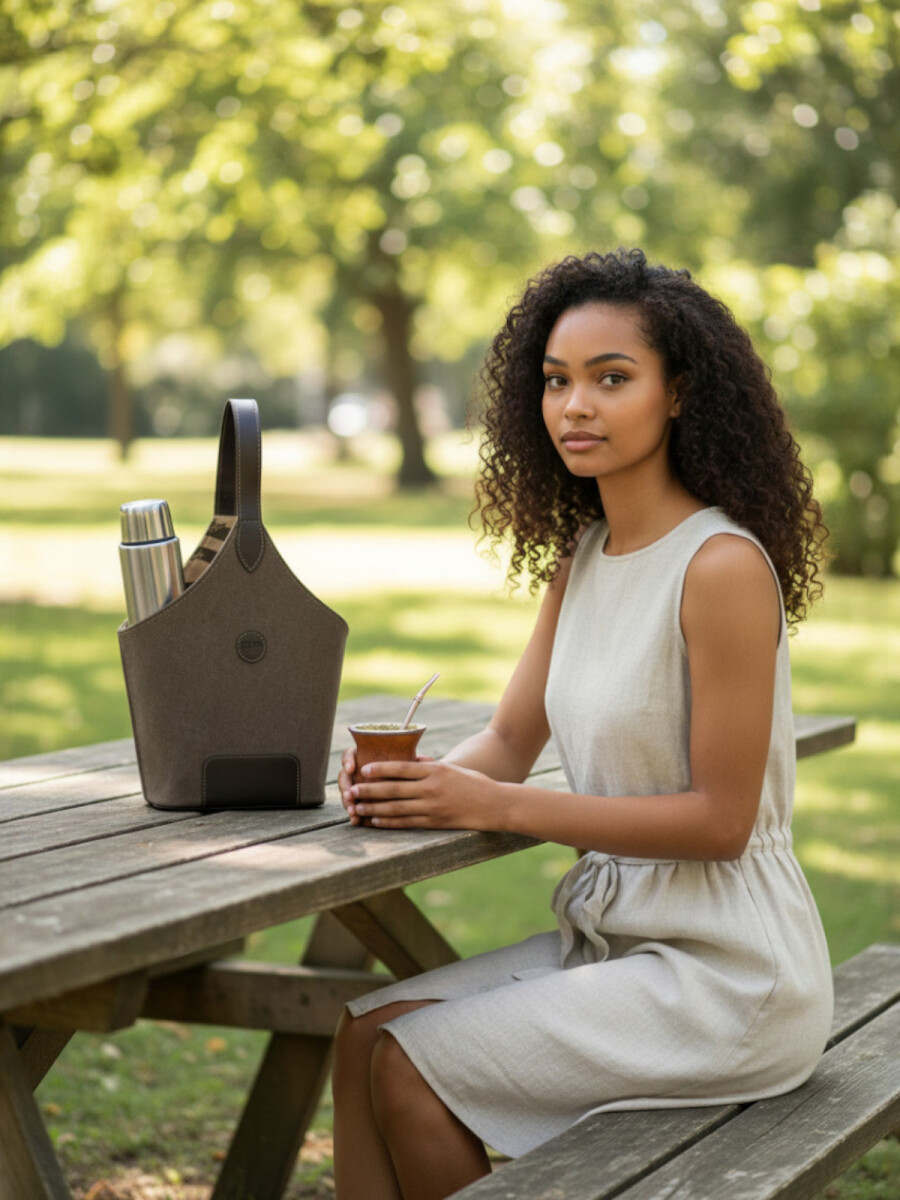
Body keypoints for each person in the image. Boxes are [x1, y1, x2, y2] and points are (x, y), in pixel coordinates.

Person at [331, 247, 831, 1200]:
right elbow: (509, 744)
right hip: (620, 942)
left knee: (411, 1064)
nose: (575, 407)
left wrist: (503, 807)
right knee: (362, 1035)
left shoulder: (720, 565)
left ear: (678, 393)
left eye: (612, 379)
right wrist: (413, 789)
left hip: (730, 973)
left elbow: (721, 822)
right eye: (557, 381)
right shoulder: (587, 555)